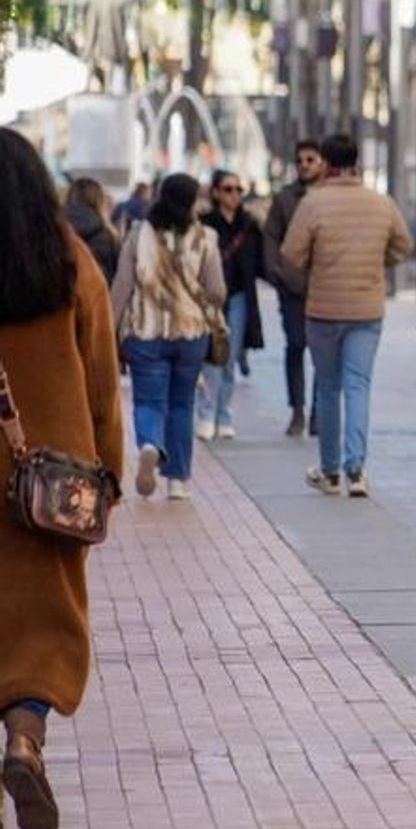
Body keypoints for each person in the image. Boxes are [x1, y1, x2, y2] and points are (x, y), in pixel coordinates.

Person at [0, 127, 125, 829]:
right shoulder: (68, 261)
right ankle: (24, 739)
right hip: (50, 480)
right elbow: (103, 379)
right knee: (47, 623)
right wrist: (108, 471)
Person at [283, 134, 413, 497]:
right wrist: (377, 261)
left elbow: (292, 254)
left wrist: (316, 263)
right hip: (366, 309)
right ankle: (356, 470)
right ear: (355, 163)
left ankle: (330, 470)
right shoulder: (381, 203)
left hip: (323, 309)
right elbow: (404, 245)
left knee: (328, 388)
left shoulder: (312, 203)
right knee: (358, 385)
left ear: (325, 163)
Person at [111, 174, 226, 501]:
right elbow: (217, 290)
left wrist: (110, 328)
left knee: (149, 401)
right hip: (190, 334)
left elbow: (122, 287)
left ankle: (150, 443)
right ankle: (178, 481)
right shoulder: (206, 238)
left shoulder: (138, 235)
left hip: (145, 333)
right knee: (182, 404)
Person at [195, 170, 266, 441]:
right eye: (228, 189)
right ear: (215, 193)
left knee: (229, 358)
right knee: (210, 357)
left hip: (239, 297)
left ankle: (223, 414)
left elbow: (262, 263)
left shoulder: (249, 225)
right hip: (210, 299)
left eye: (239, 189)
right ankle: (206, 413)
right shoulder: (205, 225)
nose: (234, 194)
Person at [262, 140, 325, 437]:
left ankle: (318, 412)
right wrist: (277, 273)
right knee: (296, 345)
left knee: (322, 352)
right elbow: (271, 236)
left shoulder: (329, 196)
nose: (304, 165)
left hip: (325, 287)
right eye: (300, 160)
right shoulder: (285, 198)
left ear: (321, 162)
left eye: (310, 159)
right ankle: (297, 409)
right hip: (292, 287)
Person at [64, 176, 120, 284]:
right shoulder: (109, 235)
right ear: (99, 201)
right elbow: (115, 277)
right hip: (96, 291)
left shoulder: (53, 228)